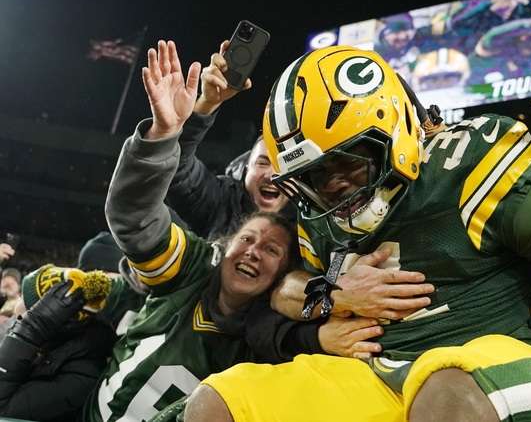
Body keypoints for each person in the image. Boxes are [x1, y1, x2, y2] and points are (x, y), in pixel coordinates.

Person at [185, 44, 531, 422]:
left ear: (396, 130)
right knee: (216, 402)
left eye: (345, 162)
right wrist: (331, 294)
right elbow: (287, 289)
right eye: (314, 173)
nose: (332, 184)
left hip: (495, 360)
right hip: (380, 373)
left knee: (441, 394)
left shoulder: (468, 171)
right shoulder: (320, 214)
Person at [81, 41, 383, 422]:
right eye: (245, 239)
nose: (253, 252)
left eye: (272, 250)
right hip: (151, 305)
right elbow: (137, 212)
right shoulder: (196, 258)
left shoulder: (275, 315)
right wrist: (169, 129)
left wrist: (319, 333)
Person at [166, 40, 289, 241]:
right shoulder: (220, 200)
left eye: (283, 166)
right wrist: (208, 102)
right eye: (262, 163)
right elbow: (174, 166)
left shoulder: (310, 220)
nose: (272, 175)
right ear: (247, 169)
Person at [0, 268, 116, 422]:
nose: (17, 304)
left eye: (23, 298)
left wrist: (28, 332)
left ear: (43, 316)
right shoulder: (50, 346)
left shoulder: (78, 379)